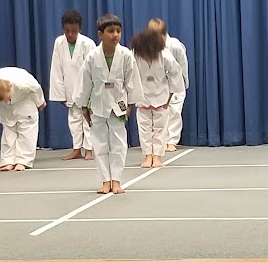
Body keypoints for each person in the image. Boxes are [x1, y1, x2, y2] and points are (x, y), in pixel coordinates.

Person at [73, 14, 141, 195]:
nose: (115, 35)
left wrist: (130, 106)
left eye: (118, 31)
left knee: (118, 144)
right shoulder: (92, 57)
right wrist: (83, 107)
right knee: (100, 144)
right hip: (97, 105)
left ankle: (116, 180)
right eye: (111, 31)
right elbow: (84, 83)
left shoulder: (126, 55)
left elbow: (132, 81)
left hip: (118, 105)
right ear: (100, 34)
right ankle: (105, 181)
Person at [129, 27, 186, 169]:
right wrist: (131, 96)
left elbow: (176, 75)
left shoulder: (165, 55)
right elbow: (128, 74)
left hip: (161, 96)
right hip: (142, 97)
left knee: (160, 129)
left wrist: (170, 97)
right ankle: (148, 156)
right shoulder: (135, 55)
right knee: (145, 129)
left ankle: (158, 156)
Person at [48, 9, 96, 161]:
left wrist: (92, 91)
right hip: (69, 87)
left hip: (86, 88)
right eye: (67, 31)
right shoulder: (58, 43)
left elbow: (93, 69)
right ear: (63, 28)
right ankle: (77, 149)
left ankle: (89, 149)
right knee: (74, 121)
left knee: (88, 120)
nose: (70, 34)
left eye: (73, 31)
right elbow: (56, 68)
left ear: (79, 29)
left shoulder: (88, 44)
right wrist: (59, 93)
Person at [0, 67, 45, 171]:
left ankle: (23, 161)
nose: (5, 99)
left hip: (25, 100)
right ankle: (7, 161)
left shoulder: (24, 82)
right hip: (7, 108)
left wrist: (40, 102)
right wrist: (5, 101)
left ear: (10, 86)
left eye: (6, 97)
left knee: (27, 132)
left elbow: (37, 89)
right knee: (8, 132)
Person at [147, 19, 189, 151]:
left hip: (176, 82)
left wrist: (183, 83)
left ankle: (172, 140)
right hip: (159, 84)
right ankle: (161, 140)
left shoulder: (175, 46)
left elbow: (183, 65)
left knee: (174, 111)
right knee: (161, 112)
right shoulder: (149, 46)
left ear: (164, 34)